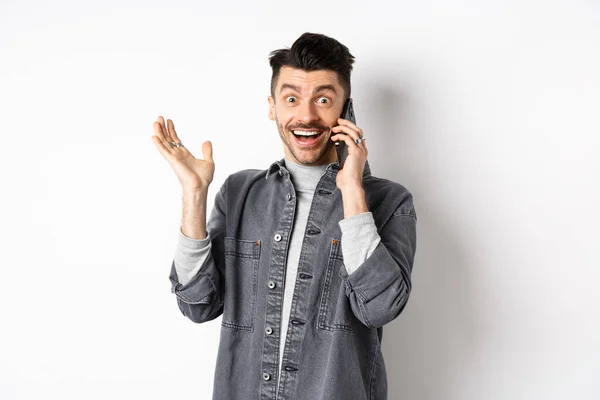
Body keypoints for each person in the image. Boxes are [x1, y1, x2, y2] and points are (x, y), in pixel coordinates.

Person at [151, 32, 417, 400]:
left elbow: (380, 308)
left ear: (346, 110)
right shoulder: (240, 194)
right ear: (273, 106)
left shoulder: (389, 202)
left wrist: (353, 188)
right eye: (291, 98)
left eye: (323, 99)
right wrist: (195, 194)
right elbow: (197, 305)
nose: (306, 115)